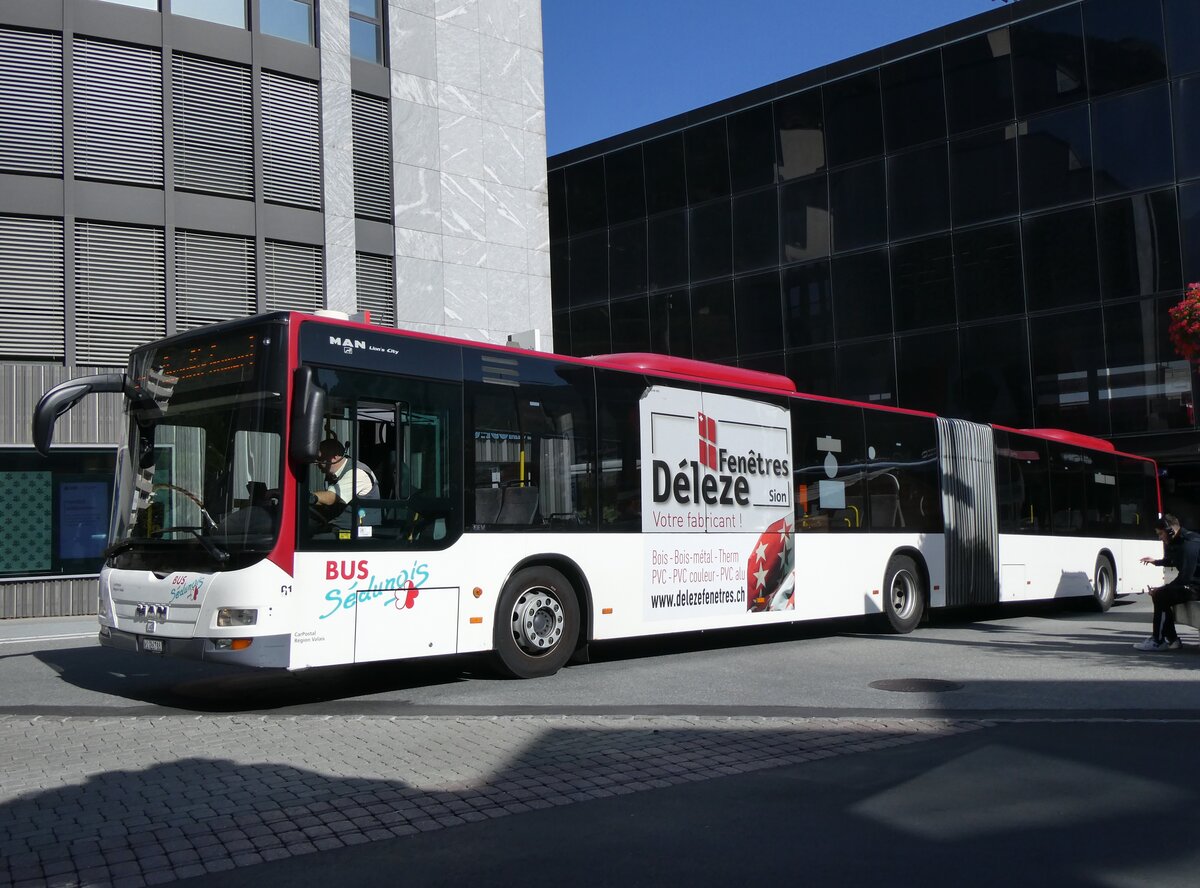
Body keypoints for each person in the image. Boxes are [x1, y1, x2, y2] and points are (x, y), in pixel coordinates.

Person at [1134, 514, 1200, 651]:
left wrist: (1162, 589)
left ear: (1170, 530)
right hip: (1193, 584)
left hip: (1196, 586)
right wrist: (1156, 562)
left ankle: (1158, 641)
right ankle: (1172, 640)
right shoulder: (1179, 541)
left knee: (1161, 595)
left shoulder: (1190, 544)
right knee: (1161, 595)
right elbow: (1173, 560)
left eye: (1161, 534)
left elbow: (1185, 577)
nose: (1160, 538)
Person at [309, 439, 380, 533]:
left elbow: (332, 497)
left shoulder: (357, 472)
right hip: (340, 526)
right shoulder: (334, 475)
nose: (316, 463)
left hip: (358, 532)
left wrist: (309, 497)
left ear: (334, 457)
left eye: (320, 459)